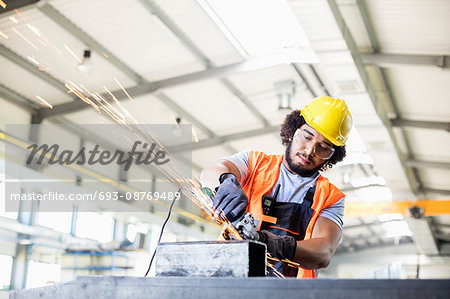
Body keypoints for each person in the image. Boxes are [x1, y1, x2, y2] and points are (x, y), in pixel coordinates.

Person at [200, 96, 353, 278]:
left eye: (323, 147)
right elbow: (210, 172)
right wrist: (225, 181)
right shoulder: (254, 163)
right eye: (307, 137)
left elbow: (324, 253)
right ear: (293, 131)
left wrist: (274, 244)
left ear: (333, 155)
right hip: (228, 281)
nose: (310, 150)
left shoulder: (330, 198)